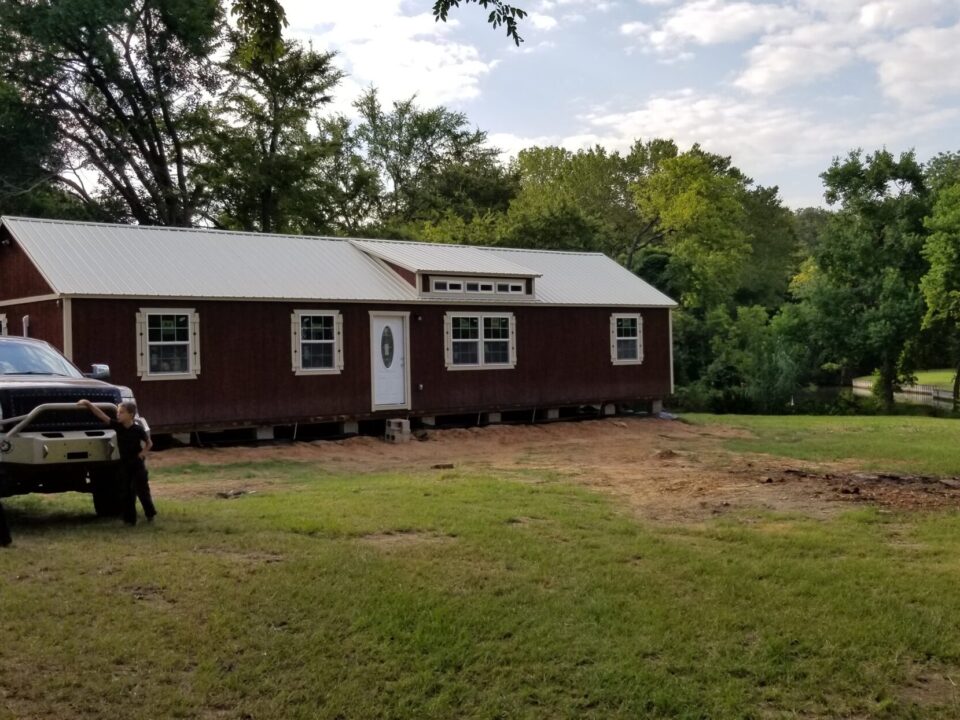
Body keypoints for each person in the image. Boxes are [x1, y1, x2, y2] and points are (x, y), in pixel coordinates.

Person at [78, 399, 156, 525]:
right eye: (118, 412)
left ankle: (150, 514)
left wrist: (143, 453)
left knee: (142, 491)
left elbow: (149, 443)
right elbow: (102, 416)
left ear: (131, 415)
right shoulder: (118, 427)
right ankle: (129, 520)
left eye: (122, 412)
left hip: (137, 465)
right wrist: (88, 404)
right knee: (126, 492)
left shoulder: (138, 429)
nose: (118, 415)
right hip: (124, 464)